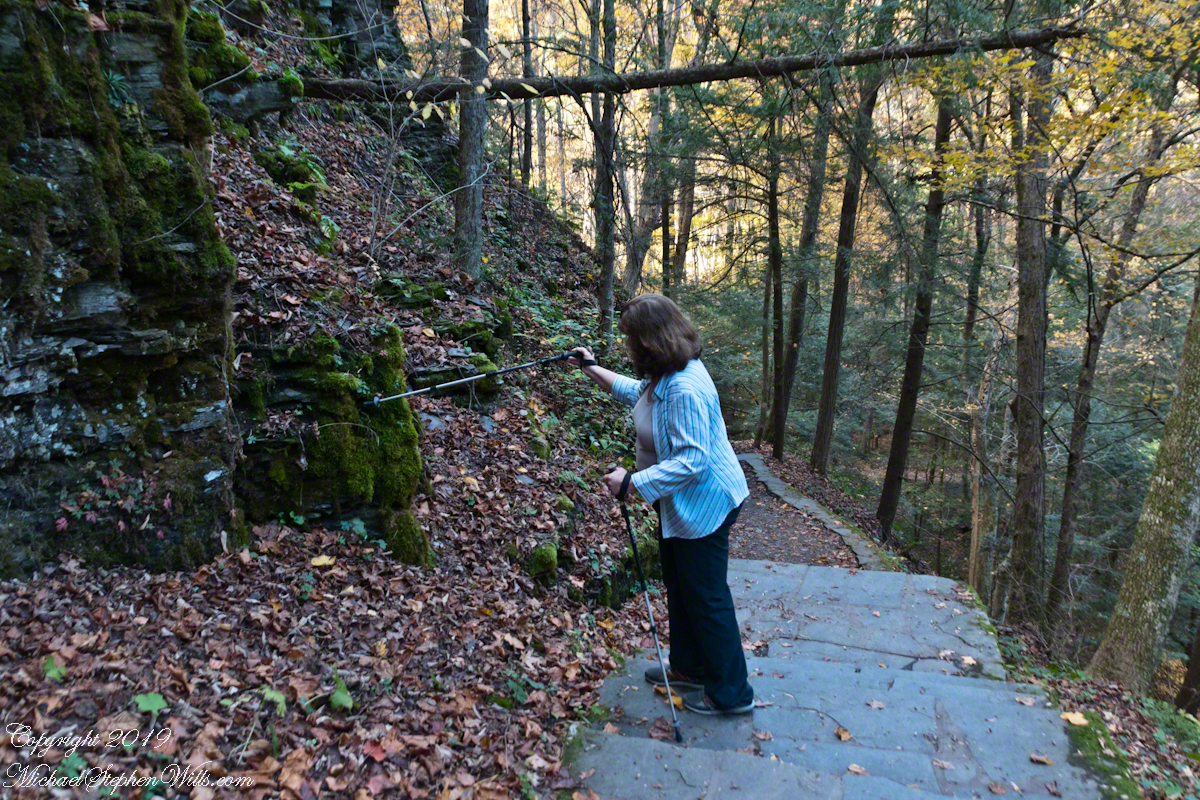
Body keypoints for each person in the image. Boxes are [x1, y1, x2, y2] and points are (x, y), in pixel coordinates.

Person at [568, 293, 753, 715]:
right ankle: (689, 666)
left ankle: (732, 693)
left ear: (651, 339)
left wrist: (633, 483)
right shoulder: (667, 374)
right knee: (682, 584)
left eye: (632, 338)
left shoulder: (685, 386)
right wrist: (590, 367)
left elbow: (692, 461)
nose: (628, 345)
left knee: (706, 596)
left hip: (705, 504)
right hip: (680, 504)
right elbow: (637, 393)